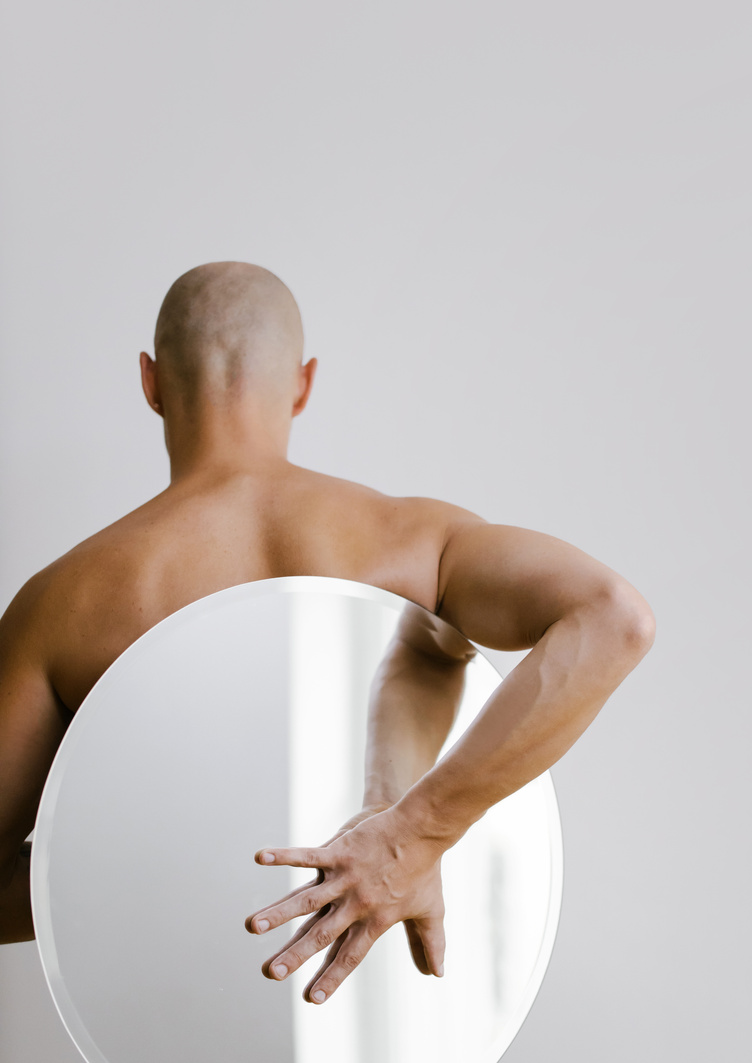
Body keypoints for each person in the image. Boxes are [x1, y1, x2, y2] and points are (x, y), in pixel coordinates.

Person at [0, 261, 655, 1004]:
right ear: (304, 384)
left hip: (166, 1022)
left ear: (150, 383)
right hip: (389, 1028)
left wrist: (164, 876)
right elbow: (613, 616)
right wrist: (417, 835)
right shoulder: (415, 540)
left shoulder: (58, 604)